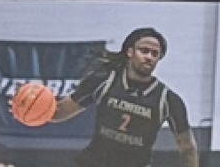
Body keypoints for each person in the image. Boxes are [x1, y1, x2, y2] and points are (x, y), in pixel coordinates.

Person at [19, 27, 199, 167]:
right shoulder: (104, 81)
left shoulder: (168, 100)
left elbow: (187, 148)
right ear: (130, 52)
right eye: (144, 51)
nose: (149, 57)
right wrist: (30, 110)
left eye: (155, 54)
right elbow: (60, 111)